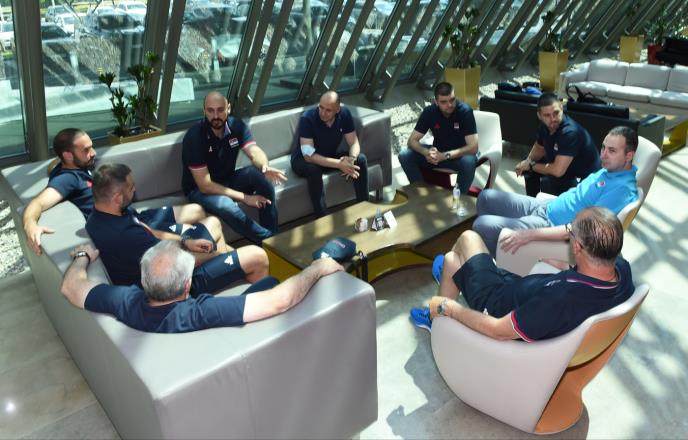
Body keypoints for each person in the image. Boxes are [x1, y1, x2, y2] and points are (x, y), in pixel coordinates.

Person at [409, 207, 634, 341]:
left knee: (468, 238)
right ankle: (451, 281)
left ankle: (436, 314)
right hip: (521, 289)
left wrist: (449, 308)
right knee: (451, 261)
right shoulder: (621, 270)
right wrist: (563, 266)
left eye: (570, 231)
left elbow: (499, 331)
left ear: (577, 247)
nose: (568, 233)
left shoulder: (558, 300)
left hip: (496, 303)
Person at [60, 240, 343, 333]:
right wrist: (317, 268)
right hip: (230, 340)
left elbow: (71, 288)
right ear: (187, 285)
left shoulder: (124, 300)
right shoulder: (201, 313)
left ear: (144, 280)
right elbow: (279, 301)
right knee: (270, 283)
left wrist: (83, 256)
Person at [85, 163, 268, 295]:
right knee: (257, 255)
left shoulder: (103, 214)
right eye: (131, 188)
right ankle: (254, 295)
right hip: (171, 286)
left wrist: (185, 241)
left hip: (163, 260)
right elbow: (174, 266)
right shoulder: (125, 235)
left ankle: (237, 273)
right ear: (118, 197)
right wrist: (217, 254)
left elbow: (147, 230)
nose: (134, 190)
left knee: (213, 222)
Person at [23, 128, 206, 256]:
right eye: (86, 150)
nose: (93, 153)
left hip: (134, 215)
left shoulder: (75, 165)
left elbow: (54, 165)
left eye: (92, 146)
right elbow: (38, 202)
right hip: (128, 226)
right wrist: (30, 225)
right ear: (68, 156)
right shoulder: (67, 179)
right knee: (199, 231)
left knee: (197, 210)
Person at [473, 126, 639, 256]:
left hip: (550, 225)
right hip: (547, 205)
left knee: (481, 225)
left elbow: (581, 231)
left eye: (612, 151)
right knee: (485, 197)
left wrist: (531, 234)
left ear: (629, 155)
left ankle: (498, 269)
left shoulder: (622, 190)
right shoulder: (610, 170)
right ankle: (494, 252)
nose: (603, 155)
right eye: (603, 148)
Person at [182, 91, 287, 244]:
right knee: (226, 205)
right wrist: (246, 198)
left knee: (260, 177)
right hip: (199, 190)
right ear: (204, 111)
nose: (216, 116)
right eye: (210, 111)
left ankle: (272, 233)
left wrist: (264, 166)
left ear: (229, 109)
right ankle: (270, 241)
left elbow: (254, 151)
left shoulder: (237, 126)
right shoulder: (194, 137)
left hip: (228, 179)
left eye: (220, 110)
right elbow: (205, 185)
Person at [291, 90, 369, 217]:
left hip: (328, 155)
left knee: (360, 159)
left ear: (337, 109)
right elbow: (308, 156)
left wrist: (351, 159)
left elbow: (354, 143)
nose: (323, 113)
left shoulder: (344, 114)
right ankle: (322, 218)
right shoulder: (307, 118)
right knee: (314, 170)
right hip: (303, 160)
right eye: (321, 107)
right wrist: (339, 164)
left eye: (328, 110)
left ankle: (365, 208)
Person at [399, 81, 479, 193]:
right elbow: (411, 141)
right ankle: (422, 192)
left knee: (469, 162)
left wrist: (444, 156)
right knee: (404, 155)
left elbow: (473, 147)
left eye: (452, 100)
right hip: (438, 153)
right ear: (436, 102)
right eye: (444, 102)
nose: (449, 105)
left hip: (459, 156)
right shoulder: (429, 112)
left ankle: (458, 197)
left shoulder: (465, 111)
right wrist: (427, 153)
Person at [515, 93, 600, 197]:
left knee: (550, 181)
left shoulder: (570, 133)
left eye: (556, 113)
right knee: (528, 165)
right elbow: (539, 147)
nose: (553, 119)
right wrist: (527, 161)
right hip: (565, 166)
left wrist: (531, 166)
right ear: (539, 116)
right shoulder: (544, 126)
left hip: (585, 176)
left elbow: (557, 171)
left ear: (562, 108)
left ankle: (549, 204)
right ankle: (532, 200)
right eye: (547, 115)